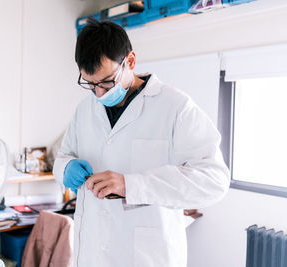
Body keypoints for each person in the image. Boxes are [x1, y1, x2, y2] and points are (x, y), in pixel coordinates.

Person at [53, 18, 230, 267]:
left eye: (106, 81)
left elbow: (214, 181)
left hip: (147, 256)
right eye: (90, 84)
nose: (99, 94)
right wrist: (65, 167)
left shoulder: (175, 107)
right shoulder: (85, 110)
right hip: (92, 253)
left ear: (131, 61)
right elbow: (62, 158)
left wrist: (132, 185)